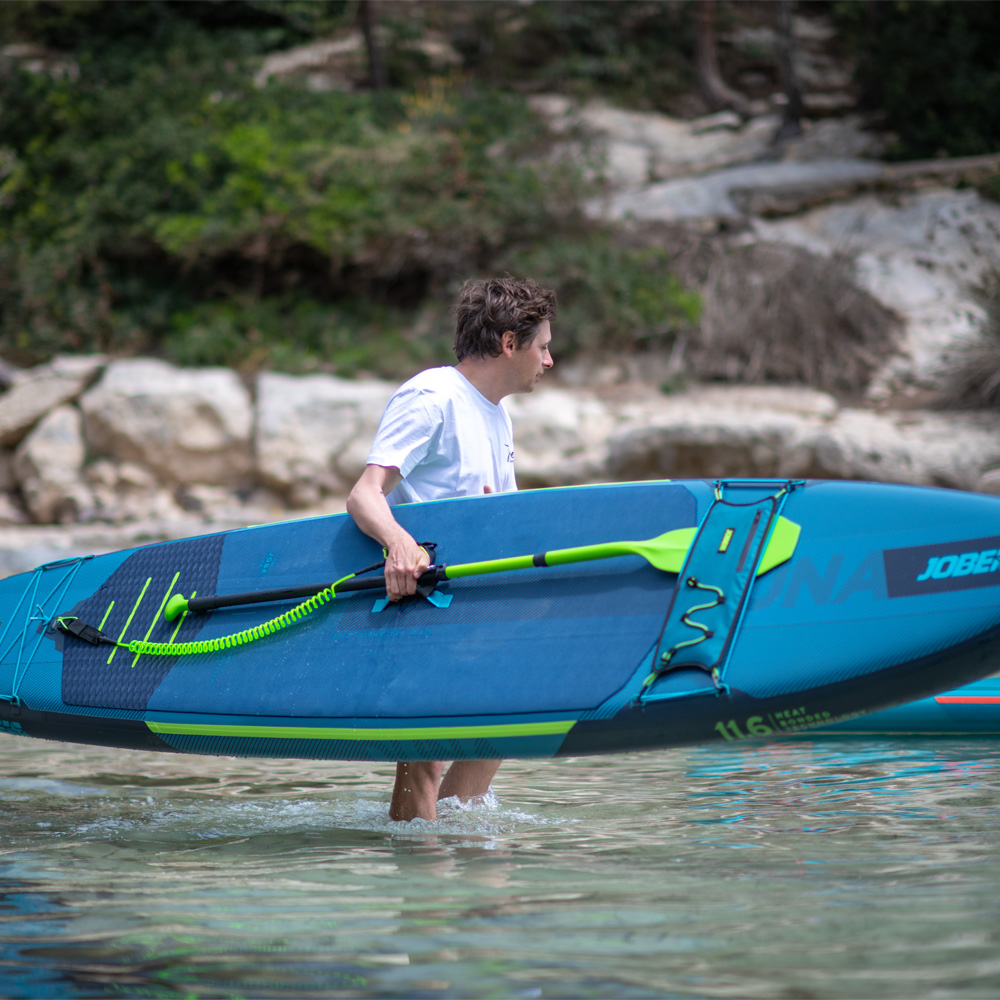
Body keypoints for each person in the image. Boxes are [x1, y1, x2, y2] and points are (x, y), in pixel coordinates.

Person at [346, 275, 557, 822]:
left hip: (476, 604)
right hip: (422, 602)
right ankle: (421, 865)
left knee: (504, 723)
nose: (548, 359)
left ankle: (463, 842)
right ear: (509, 343)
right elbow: (365, 494)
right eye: (542, 346)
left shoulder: (497, 412)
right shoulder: (432, 397)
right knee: (426, 760)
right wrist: (399, 543)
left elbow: (501, 512)